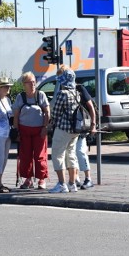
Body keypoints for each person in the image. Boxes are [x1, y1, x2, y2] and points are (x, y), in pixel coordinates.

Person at [12, 71, 50, 190]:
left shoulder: (41, 95)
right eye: (30, 82)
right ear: (24, 84)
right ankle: (28, 180)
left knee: (40, 156)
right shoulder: (20, 97)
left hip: (39, 131)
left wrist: (45, 127)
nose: (33, 84)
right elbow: (16, 116)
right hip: (24, 131)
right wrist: (16, 131)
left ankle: (41, 179)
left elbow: (47, 112)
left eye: (34, 82)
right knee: (25, 156)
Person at [48, 65, 80, 193]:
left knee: (57, 155)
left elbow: (55, 113)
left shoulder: (62, 93)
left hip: (63, 129)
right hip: (75, 130)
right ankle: (72, 183)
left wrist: (51, 122)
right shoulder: (76, 92)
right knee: (71, 155)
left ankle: (62, 184)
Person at [71, 81, 97, 190]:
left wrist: (93, 125)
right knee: (72, 153)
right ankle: (75, 178)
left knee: (80, 151)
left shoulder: (80, 88)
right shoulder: (64, 90)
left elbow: (91, 107)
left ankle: (88, 179)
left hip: (81, 127)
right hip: (71, 128)